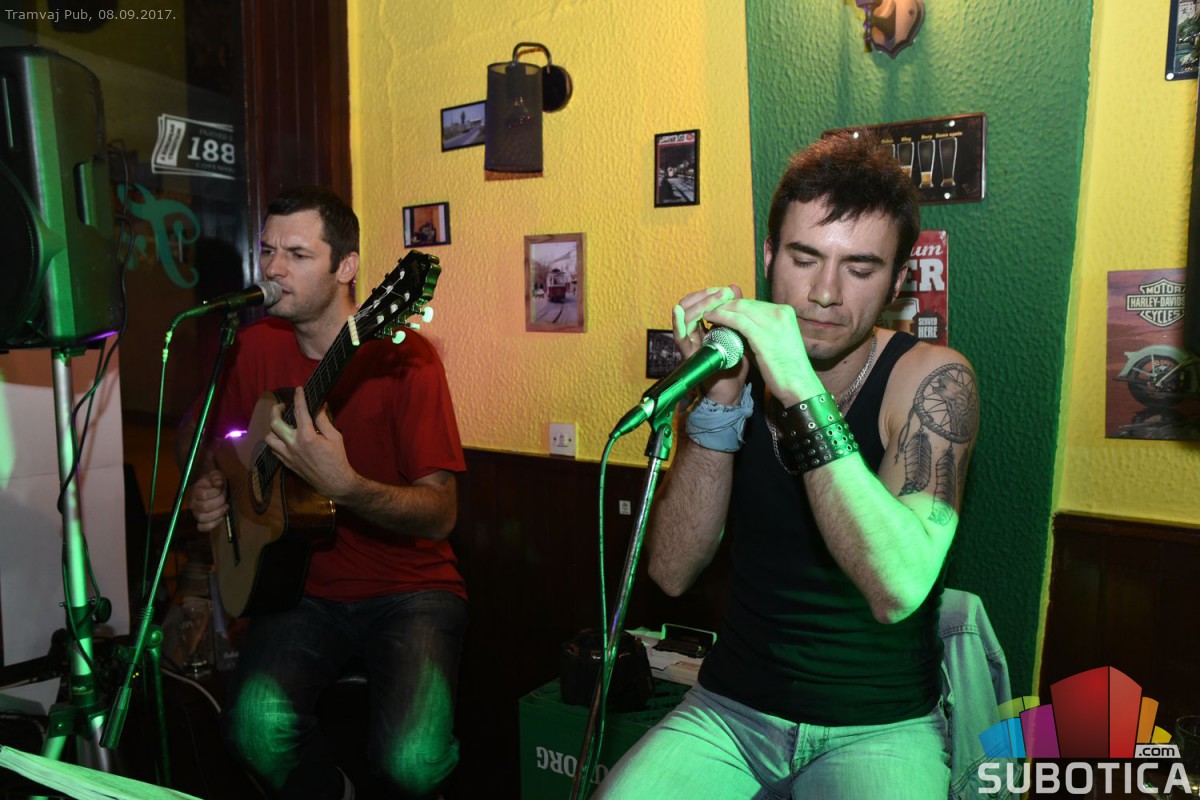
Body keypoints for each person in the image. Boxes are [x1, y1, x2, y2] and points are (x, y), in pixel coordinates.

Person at [597, 132, 979, 798]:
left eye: (860, 268)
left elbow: (895, 588)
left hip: (879, 725)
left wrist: (798, 386)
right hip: (731, 709)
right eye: (805, 259)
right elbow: (672, 571)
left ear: (896, 282)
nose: (825, 293)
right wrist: (719, 404)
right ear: (771, 256)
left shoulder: (933, 380)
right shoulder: (735, 369)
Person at [184, 186, 466, 800]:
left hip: (409, 589)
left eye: (297, 254)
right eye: (267, 250)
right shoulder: (255, 346)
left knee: (414, 762)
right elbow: (224, 448)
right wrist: (212, 490)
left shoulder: (408, 360)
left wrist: (349, 488)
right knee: (253, 731)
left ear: (346, 267)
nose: (273, 269)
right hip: (297, 589)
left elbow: (441, 514)